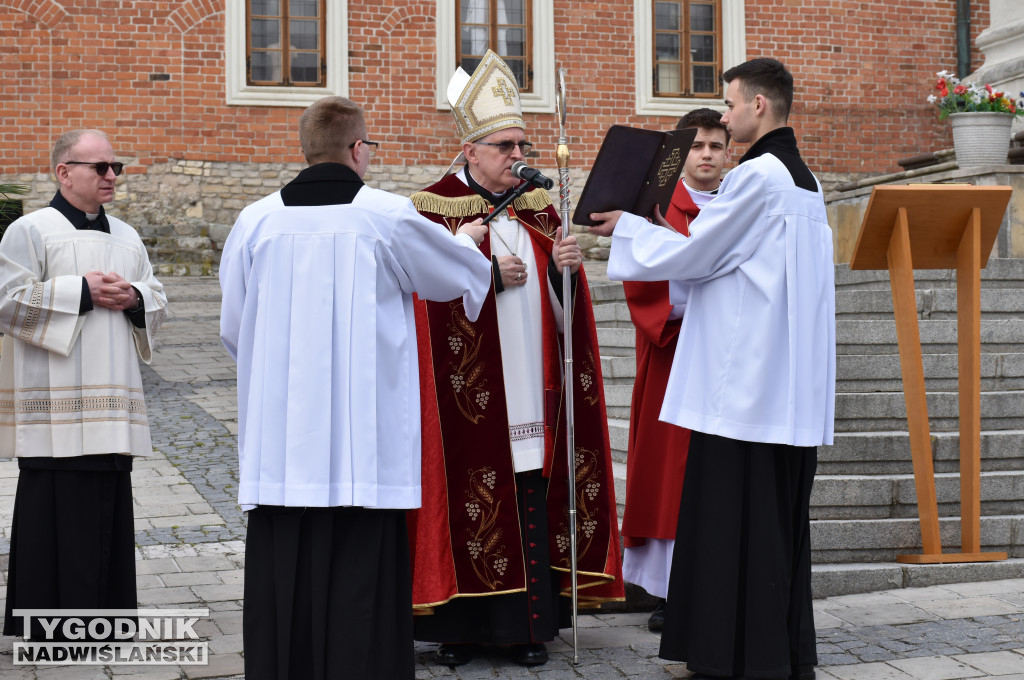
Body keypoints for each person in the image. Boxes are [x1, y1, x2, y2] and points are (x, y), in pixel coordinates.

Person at [218, 96, 492, 680]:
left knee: (285, 571)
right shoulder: (387, 215)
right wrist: (468, 241)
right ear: (358, 150)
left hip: (284, 444)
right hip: (364, 446)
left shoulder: (256, 219)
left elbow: (234, 328)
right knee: (361, 577)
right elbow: (452, 278)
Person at [588, 58, 835, 680]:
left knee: (733, 525)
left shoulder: (757, 177)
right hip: (786, 388)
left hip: (744, 390)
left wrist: (630, 230)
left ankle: (731, 655)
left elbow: (699, 255)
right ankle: (777, 651)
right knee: (776, 529)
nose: (723, 117)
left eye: (728, 105)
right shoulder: (806, 182)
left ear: (758, 106)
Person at [407, 50, 624, 668]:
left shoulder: (539, 210)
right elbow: (418, 301)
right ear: (470, 150)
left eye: (521, 143)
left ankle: (529, 630)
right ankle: (459, 632)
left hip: (531, 386)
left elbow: (567, 315)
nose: (517, 155)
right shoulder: (431, 211)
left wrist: (565, 276)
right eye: (503, 145)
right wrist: (484, 274)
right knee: (466, 498)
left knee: (528, 493)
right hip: (463, 395)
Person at [0, 129, 167, 640]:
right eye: (99, 167)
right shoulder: (30, 231)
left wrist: (136, 298)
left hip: (113, 400)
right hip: (55, 405)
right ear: (63, 172)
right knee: (56, 510)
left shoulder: (127, 236)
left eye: (115, 166)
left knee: (109, 509)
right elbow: (7, 302)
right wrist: (83, 292)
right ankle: (50, 627)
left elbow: (157, 296)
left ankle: (109, 620)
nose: (111, 176)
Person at [620, 108, 730, 632]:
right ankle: (668, 590)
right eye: (697, 146)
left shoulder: (739, 203)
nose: (706, 154)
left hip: (727, 361)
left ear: (729, 150)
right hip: (676, 356)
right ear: (681, 155)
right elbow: (645, 281)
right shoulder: (660, 207)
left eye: (715, 145)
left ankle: (714, 582)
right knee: (672, 477)